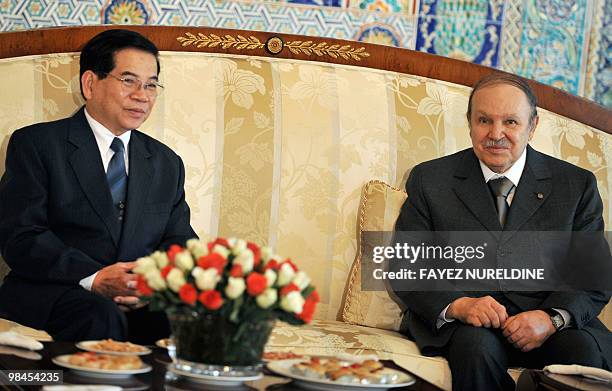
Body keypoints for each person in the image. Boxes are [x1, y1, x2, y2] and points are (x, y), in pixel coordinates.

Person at [393, 73, 611, 391]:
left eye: (510, 122)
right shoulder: (430, 179)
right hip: (468, 325)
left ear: (532, 126)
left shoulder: (576, 186)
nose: (496, 134)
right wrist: (460, 305)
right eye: (484, 120)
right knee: (476, 349)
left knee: (583, 351)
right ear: (469, 123)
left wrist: (552, 318)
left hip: (549, 320)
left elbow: (591, 278)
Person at [0, 29, 196, 343]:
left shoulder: (165, 162)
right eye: (129, 80)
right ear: (90, 84)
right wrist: (96, 278)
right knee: (100, 317)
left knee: (191, 316)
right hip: (58, 290)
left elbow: (180, 242)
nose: (142, 96)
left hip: (136, 298)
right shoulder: (37, 144)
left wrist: (148, 281)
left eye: (151, 85)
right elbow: (21, 236)